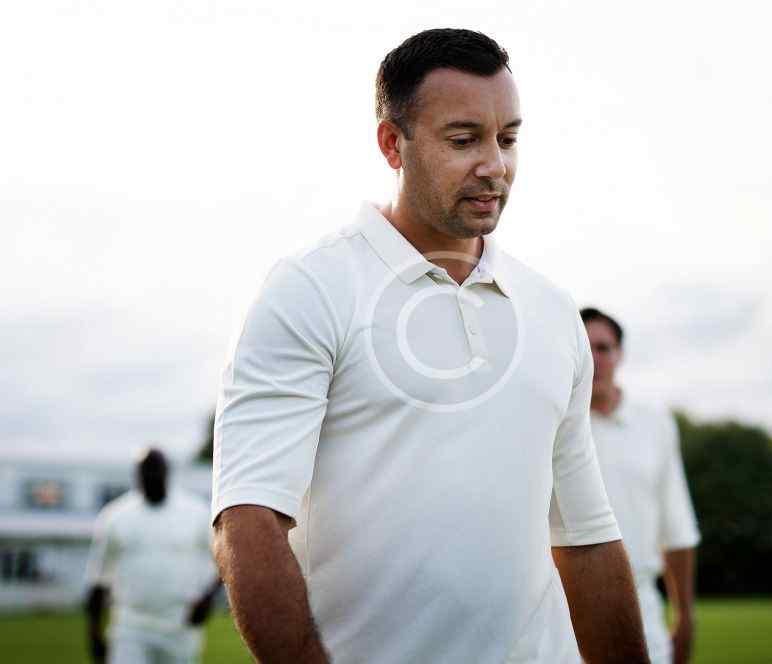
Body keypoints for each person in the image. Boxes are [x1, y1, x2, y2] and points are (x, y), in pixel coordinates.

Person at [211, 29, 649, 664]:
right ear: (393, 144)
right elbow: (248, 519)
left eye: (507, 139)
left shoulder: (553, 312)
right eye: (463, 140)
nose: (494, 166)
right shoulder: (309, 287)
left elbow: (586, 539)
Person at [581, 308, 701, 664]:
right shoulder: (551, 421)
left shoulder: (656, 424)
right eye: (584, 348)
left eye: (603, 348)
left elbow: (677, 528)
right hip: (561, 614)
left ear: (620, 354)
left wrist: (685, 616)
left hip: (642, 610)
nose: (594, 359)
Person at [84, 448, 222, 664]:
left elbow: (223, 559)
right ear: (137, 474)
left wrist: (208, 599)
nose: (151, 475)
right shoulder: (115, 516)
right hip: (131, 626)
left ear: (167, 472)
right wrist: (94, 632)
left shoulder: (196, 512)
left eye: (156, 470)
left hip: (180, 625)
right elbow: (98, 579)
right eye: (146, 470)